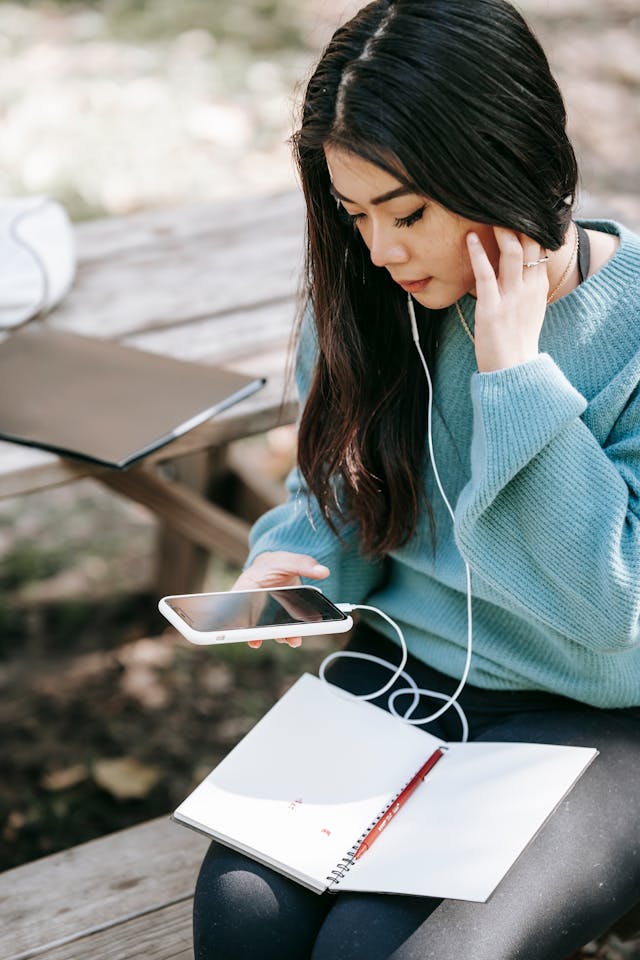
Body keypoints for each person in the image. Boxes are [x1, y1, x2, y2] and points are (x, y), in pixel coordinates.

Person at [193, 1, 640, 957]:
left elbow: (620, 617)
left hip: (597, 716)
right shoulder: (374, 299)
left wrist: (517, 376)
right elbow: (334, 492)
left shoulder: (632, 328)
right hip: (407, 675)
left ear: (507, 163)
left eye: (408, 213)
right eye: (354, 215)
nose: (381, 251)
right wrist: (293, 567)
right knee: (243, 921)